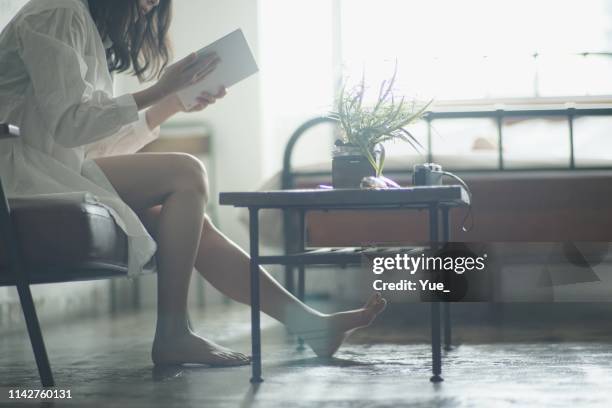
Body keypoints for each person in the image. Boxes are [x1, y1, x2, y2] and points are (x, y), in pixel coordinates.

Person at [0, 0, 386, 367]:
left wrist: (172, 103)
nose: (151, 5)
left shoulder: (81, 26)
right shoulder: (56, 11)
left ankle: (309, 325)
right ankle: (173, 332)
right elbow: (72, 125)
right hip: (15, 175)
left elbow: (90, 142)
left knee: (191, 221)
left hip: (50, 167)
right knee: (188, 172)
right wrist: (159, 90)